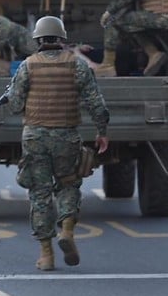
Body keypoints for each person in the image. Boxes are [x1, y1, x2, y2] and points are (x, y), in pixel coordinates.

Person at [7, 16, 110, 271]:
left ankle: (46, 255)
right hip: (67, 136)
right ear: (62, 38)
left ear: (38, 39)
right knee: (68, 184)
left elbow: (15, 105)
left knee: (40, 194)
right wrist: (102, 131)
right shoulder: (77, 65)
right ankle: (67, 231)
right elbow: (96, 103)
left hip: (35, 138)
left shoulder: (27, 66)